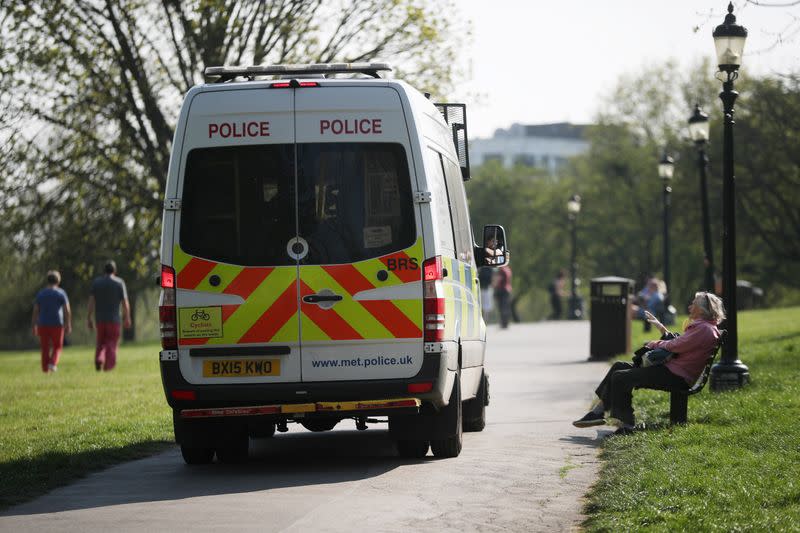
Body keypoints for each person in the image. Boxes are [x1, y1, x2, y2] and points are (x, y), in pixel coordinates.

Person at [572, 291, 725, 434]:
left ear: (703, 310)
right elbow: (682, 343)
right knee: (619, 366)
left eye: (694, 304)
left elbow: (676, 345)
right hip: (672, 371)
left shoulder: (704, 329)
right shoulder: (703, 327)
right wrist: (662, 329)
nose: (690, 306)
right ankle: (598, 411)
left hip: (676, 376)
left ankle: (627, 425)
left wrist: (654, 343)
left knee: (621, 377)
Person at [88, 260, 131, 371]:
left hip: (100, 319)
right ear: (115, 271)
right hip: (114, 319)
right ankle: (109, 367)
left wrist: (89, 317)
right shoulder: (119, 282)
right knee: (112, 343)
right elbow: (125, 302)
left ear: (104, 270)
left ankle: (99, 358)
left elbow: (91, 301)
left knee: (101, 342)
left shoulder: (96, 283)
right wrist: (127, 317)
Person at [32, 270, 72, 373]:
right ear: (58, 281)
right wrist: (68, 323)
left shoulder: (41, 294)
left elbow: (36, 310)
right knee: (57, 346)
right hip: (57, 324)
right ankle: (53, 363)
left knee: (45, 348)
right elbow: (67, 310)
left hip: (43, 324)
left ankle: (45, 370)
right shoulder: (61, 293)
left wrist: (34, 325)